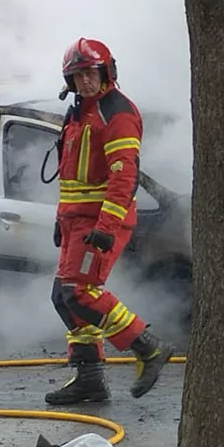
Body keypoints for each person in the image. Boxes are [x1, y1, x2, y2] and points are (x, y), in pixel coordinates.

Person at [45, 37, 173, 406]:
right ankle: (89, 380)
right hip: (75, 221)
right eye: (78, 76)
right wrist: (60, 219)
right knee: (63, 297)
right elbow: (70, 175)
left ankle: (147, 347)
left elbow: (123, 177)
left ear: (107, 72)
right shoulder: (78, 112)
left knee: (79, 294)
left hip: (97, 222)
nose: (85, 82)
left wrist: (107, 226)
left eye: (91, 73)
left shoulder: (116, 113)